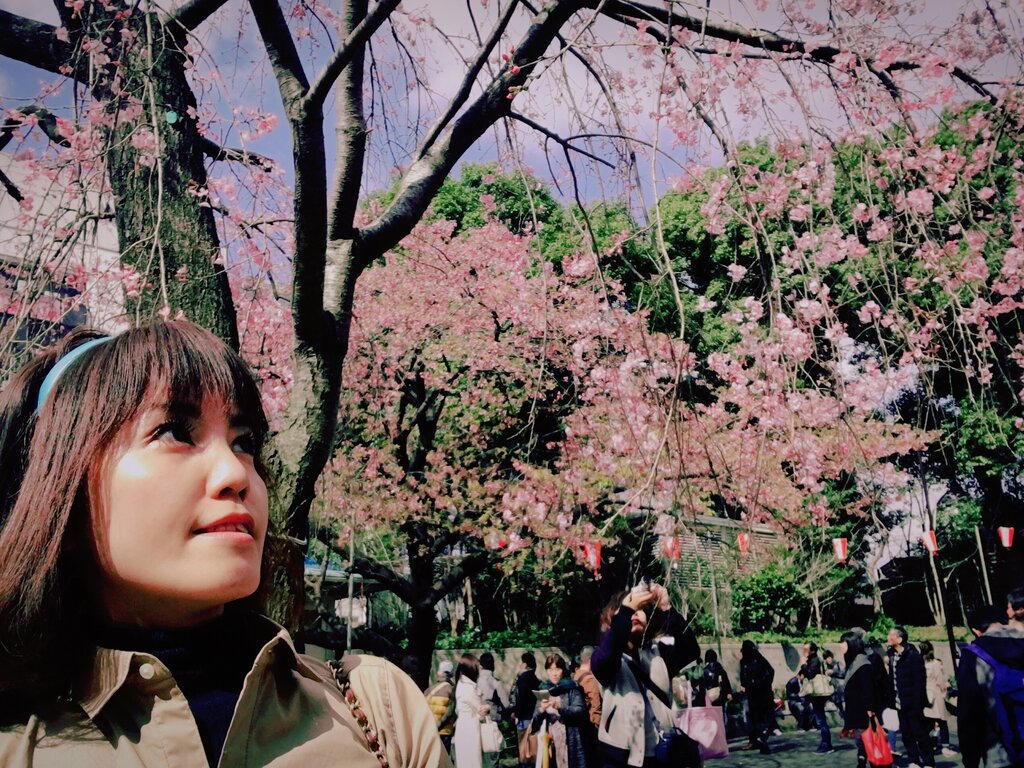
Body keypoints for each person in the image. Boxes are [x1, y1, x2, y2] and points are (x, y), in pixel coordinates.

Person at [0, 322, 448, 768]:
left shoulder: (376, 710)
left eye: (243, 442)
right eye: (173, 432)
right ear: (62, 493)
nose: (236, 474)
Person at [591, 581, 700, 767]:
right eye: (626, 610)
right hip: (622, 756)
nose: (634, 613)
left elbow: (690, 650)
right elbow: (609, 653)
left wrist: (666, 607)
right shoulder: (604, 658)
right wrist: (627, 610)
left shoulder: (658, 653)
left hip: (663, 753)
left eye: (640, 610)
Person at [957, 587, 1024, 768]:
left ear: (976, 630)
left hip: (1000, 755)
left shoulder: (974, 654)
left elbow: (969, 714)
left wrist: (970, 760)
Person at [886, 626, 935, 768]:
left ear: (899, 639)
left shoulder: (913, 656)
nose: (888, 637)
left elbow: (920, 682)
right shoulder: (891, 656)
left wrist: (918, 704)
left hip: (913, 703)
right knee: (906, 734)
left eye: (891, 635)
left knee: (920, 733)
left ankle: (929, 762)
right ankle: (915, 761)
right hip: (898, 703)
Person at [532, 654, 588, 768]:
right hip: (551, 741)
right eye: (550, 669)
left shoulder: (572, 687)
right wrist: (542, 709)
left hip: (570, 739)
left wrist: (560, 707)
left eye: (557, 669)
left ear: (563, 669)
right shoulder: (544, 689)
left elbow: (580, 711)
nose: (554, 673)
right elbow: (535, 721)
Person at [839, 630, 884, 768]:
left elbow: (867, 687)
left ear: (851, 644)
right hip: (855, 707)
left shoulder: (862, 663)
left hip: (863, 709)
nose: (840, 645)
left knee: (865, 737)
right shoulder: (852, 660)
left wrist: (870, 708)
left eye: (843, 642)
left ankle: (868, 760)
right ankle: (863, 758)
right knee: (862, 738)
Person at [453, 654, 491, 768]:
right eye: (477, 665)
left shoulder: (465, 684)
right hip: (469, 728)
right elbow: (480, 709)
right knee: (472, 761)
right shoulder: (467, 687)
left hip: (467, 726)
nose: (480, 668)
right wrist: (487, 708)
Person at [739, 639, 775, 754]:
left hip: (763, 693)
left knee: (764, 718)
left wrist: (761, 683)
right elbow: (743, 675)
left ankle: (762, 738)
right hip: (752, 693)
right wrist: (745, 684)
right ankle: (756, 740)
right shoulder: (743, 661)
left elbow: (770, 672)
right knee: (754, 718)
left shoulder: (759, 659)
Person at [919, 641, 955, 757]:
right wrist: (945, 692)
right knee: (942, 722)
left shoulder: (919, 662)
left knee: (928, 722)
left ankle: (925, 744)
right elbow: (940, 681)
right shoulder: (935, 664)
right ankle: (945, 747)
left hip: (924, 694)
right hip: (936, 694)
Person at [799, 641, 834, 753]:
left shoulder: (815, 660)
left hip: (818, 694)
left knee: (821, 719)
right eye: (803, 649)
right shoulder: (811, 660)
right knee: (820, 718)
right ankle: (826, 743)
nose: (804, 651)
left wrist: (803, 664)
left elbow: (810, 673)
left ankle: (826, 744)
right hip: (815, 694)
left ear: (812, 650)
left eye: (806, 649)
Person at [573, 647, 601, 766]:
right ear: (591, 660)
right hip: (590, 728)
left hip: (578, 726)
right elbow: (596, 707)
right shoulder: (590, 680)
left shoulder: (575, 676)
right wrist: (597, 728)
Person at [512, 652, 541, 768]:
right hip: (533, 716)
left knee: (523, 748)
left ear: (524, 664)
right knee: (533, 748)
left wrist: (516, 714)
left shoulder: (522, 678)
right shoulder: (536, 679)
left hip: (523, 717)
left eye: (521, 663)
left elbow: (521, 698)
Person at [427, 660, 458, 753]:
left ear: (439, 673)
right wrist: (439, 726)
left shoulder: (428, 691)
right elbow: (450, 712)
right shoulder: (452, 690)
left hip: (430, 732)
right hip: (445, 733)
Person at [477, 652, 511, 723]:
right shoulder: (496, 683)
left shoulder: (474, 681)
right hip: (491, 718)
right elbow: (506, 704)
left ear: (480, 666)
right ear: (493, 665)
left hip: (476, 717)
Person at [823, 649, 846, 717]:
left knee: (845, 708)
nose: (828, 660)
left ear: (831, 657)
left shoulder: (838, 664)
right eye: (826, 658)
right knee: (840, 711)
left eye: (829, 657)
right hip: (834, 692)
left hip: (841, 690)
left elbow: (844, 673)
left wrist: (833, 672)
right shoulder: (826, 667)